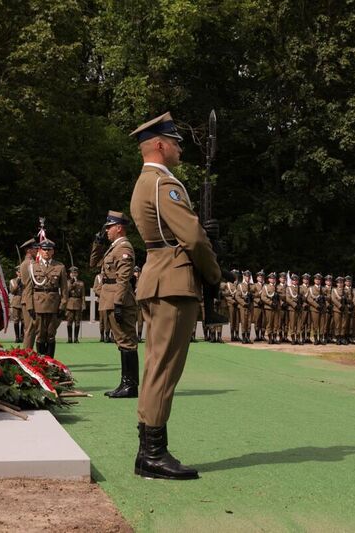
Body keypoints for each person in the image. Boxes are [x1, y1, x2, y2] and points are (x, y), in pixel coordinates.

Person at [129, 111, 221, 480]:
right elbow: (193, 238)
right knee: (164, 369)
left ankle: (147, 451)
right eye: (177, 143)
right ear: (160, 145)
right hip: (173, 281)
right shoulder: (164, 185)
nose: (181, 149)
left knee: (156, 366)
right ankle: (153, 453)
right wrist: (213, 273)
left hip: (158, 276)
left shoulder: (145, 183)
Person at [90, 211, 139, 398]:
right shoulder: (112, 248)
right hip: (110, 299)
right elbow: (93, 263)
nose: (106, 231)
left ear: (119, 228)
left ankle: (130, 385)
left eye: (109, 227)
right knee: (122, 342)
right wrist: (98, 243)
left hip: (119, 300)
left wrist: (118, 303)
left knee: (126, 342)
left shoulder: (124, 248)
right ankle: (125, 383)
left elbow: (123, 279)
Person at [24, 239, 67, 357]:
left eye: (49, 249)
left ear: (53, 251)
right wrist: (29, 306)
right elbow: (28, 289)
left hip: (54, 305)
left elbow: (64, 289)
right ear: (39, 250)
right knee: (40, 334)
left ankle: (50, 362)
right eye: (44, 249)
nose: (47, 252)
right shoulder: (33, 267)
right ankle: (41, 363)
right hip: (38, 305)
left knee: (51, 334)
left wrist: (63, 306)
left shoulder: (60, 267)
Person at [20, 239, 40, 350]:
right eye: (35, 248)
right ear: (29, 250)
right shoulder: (29, 264)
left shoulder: (29, 263)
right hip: (29, 298)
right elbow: (29, 285)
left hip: (30, 298)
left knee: (31, 329)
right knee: (30, 329)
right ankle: (27, 356)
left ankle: (28, 354)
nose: (37, 250)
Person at [65, 266, 85, 343]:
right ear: (69, 274)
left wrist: (83, 304)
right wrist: (72, 284)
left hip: (78, 303)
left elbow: (82, 295)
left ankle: (76, 338)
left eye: (75, 273)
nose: (74, 274)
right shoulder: (67, 282)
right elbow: (66, 292)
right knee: (69, 321)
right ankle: (69, 338)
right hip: (70, 303)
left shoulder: (81, 283)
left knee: (77, 321)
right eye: (72, 273)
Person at [8, 266, 24, 343]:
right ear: (16, 272)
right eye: (19, 272)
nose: (20, 273)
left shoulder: (26, 280)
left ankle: (22, 336)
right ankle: (17, 337)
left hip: (24, 301)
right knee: (16, 320)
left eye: (21, 272)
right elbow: (12, 291)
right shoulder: (12, 281)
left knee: (24, 321)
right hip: (16, 301)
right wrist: (17, 283)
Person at [133, 266, 145, 341]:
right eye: (134, 272)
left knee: (140, 321)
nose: (135, 273)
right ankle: (133, 335)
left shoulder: (142, 280)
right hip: (133, 302)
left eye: (136, 272)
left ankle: (139, 335)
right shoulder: (132, 280)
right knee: (132, 321)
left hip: (140, 303)